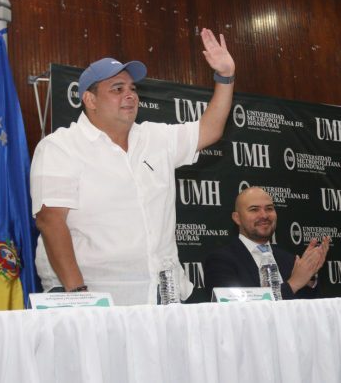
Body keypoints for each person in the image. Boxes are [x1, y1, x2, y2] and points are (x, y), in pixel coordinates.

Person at [30, 28, 235, 305]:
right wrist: (80, 296)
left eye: (132, 89)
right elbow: (50, 220)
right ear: (90, 100)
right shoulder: (60, 147)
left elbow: (210, 129)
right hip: (97, 298)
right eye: (117, 89)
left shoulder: (155, 137)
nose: (130, 95)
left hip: (164, 297)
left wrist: (225, 76)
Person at [203, 187, 330, 299]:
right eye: (254, 209)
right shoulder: (220, 261)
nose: (264, 215)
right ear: (237, 218)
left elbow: (309, 309)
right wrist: (293, 284)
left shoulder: (290, 260)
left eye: (269, 208)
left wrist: (308, 277)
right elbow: (234, 308)